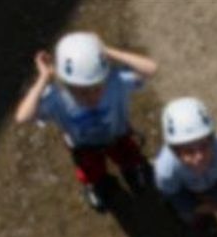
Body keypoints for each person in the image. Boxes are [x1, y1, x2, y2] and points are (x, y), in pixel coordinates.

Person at [14, 31, 157, 213]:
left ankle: (132, 170)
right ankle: (98, 184)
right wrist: (43, 78)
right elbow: (22, 117)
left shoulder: (114, 80)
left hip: (118, 137)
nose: (91, 96)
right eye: (80, 91)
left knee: (129, 157)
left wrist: (107, 51)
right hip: (84, 147)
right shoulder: (57, 96)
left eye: (97, 87)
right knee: (92, 171)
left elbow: (151, 68)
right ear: (64, 83)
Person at [154, 97, 217, 234]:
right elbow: (173, 193)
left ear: (212, 140)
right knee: (186, 210)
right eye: (188, 151)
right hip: (184, 190)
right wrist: (199, 207)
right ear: (174, 151)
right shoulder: (166, 170)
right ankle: (198, 221)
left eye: (204, 146)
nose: (199, 157)